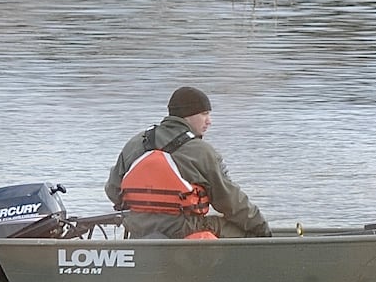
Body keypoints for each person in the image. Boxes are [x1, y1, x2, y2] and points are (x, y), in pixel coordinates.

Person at [105, 86, 272, 239]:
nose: (209, 121)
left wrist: (144, 213)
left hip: (139, 229)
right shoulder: (201, 151)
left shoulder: (136, 143)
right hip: (183, 230)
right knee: (243, 231)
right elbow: (230, 201)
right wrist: (261, 228)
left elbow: (113, 190)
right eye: (204, 114)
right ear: (188, 115)